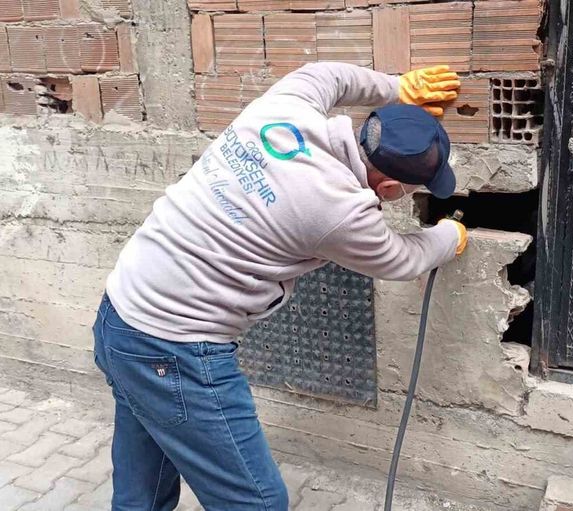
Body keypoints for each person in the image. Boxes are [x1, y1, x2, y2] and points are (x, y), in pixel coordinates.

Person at [91, 62, 468, 510]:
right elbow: (401, 258)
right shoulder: (343, 212)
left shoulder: (286, 106)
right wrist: (448, 237)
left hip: (120, 314)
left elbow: (326, 75)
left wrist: (396, 86)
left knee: (143, 491)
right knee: (258, 503)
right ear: (387, 188)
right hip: (174, 349)